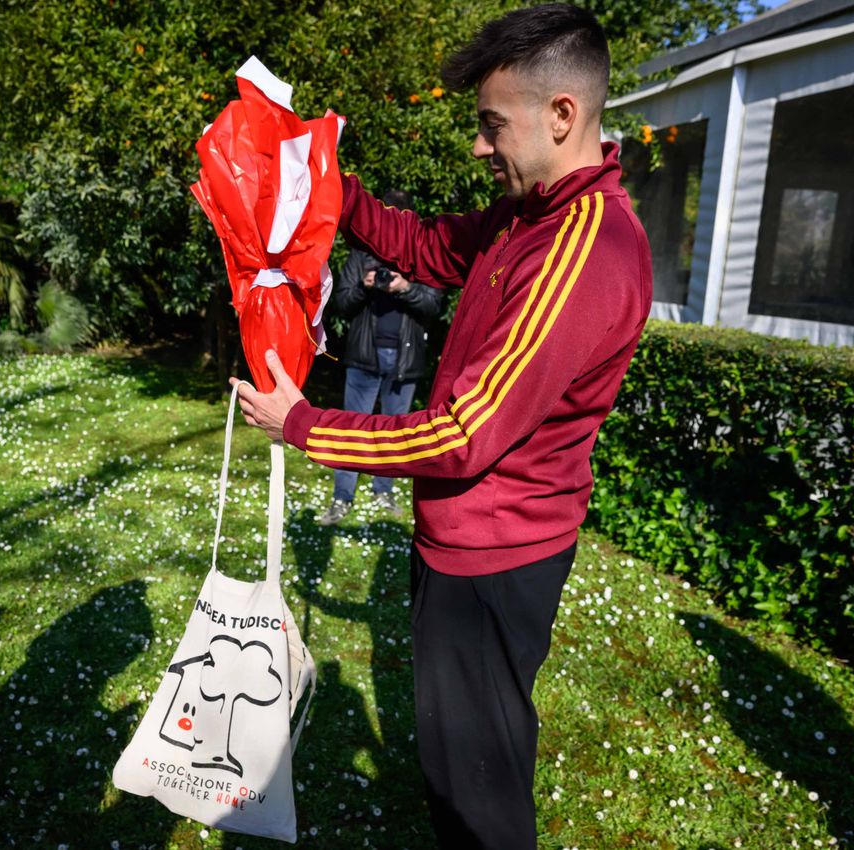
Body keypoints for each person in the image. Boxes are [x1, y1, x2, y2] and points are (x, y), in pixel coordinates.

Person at [233, 5, 653, 847]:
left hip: (496, 557)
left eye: (492, 125)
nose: (479, 147)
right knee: (456, 765)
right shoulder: (528, 216)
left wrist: (306, 424)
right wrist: (325, 186)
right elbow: (423, 246)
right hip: (459, 538)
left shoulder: (585, 250)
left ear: (562, 115)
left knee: (481, 793)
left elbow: (465, 432)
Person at [317, 188, 444, 525]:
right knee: (350, 429)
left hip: (404, 361)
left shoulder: (423, 257)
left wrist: (405, 288)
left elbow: (434, 306)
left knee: (394, 431)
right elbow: (340, 303)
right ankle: (342, 498)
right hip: (364, 356)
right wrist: (364, 285)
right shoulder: (361, 254)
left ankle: (383, 490)